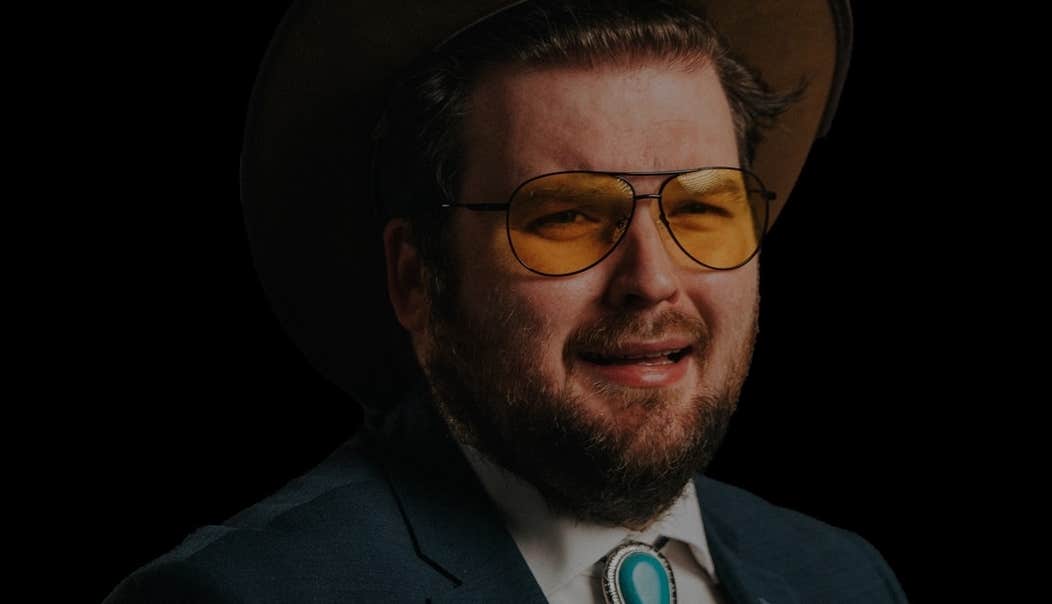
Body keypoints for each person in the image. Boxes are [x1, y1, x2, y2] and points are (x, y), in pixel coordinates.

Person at [105, 0, 909, 602]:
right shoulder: (246, 596)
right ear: (418, 280)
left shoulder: (844, 579)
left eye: (702, 207)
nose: (654, 280)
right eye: (566, 216)